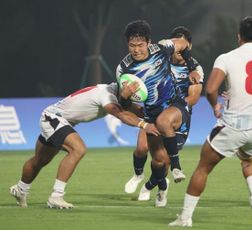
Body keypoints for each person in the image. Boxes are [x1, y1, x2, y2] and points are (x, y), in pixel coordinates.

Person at [169, 16, 252, 227]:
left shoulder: (227, 58)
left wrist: (215, 105)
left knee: (203, 167)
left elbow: (211, 89)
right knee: (249, 160)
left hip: (232, 125)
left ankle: (185, 218)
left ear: (239, 36)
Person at [9, 82, 160, 209]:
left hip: (59, 119)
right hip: (54, 118)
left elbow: (138, 110)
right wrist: (144, 125)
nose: (130, 100)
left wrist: (162, 116)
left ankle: (20, 189)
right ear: (123, 87)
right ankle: (56, 196)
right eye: (129, 95)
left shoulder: (118, 93)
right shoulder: (105, 95)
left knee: (40, 160)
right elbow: (122, 114)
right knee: (78, 149)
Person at [117, 20, 200, 207]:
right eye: (132, 45)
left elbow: (183, 44)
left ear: (148, 42)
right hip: (151, 114)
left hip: (175, 105)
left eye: (140, 45)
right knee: (158, 161)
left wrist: (192, 66)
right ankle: (161, 187)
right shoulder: (124, 69)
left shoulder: (162, 48)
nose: (136, 50)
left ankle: (177, 168)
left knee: (164, 121)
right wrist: (124, 96)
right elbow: (123, 104)